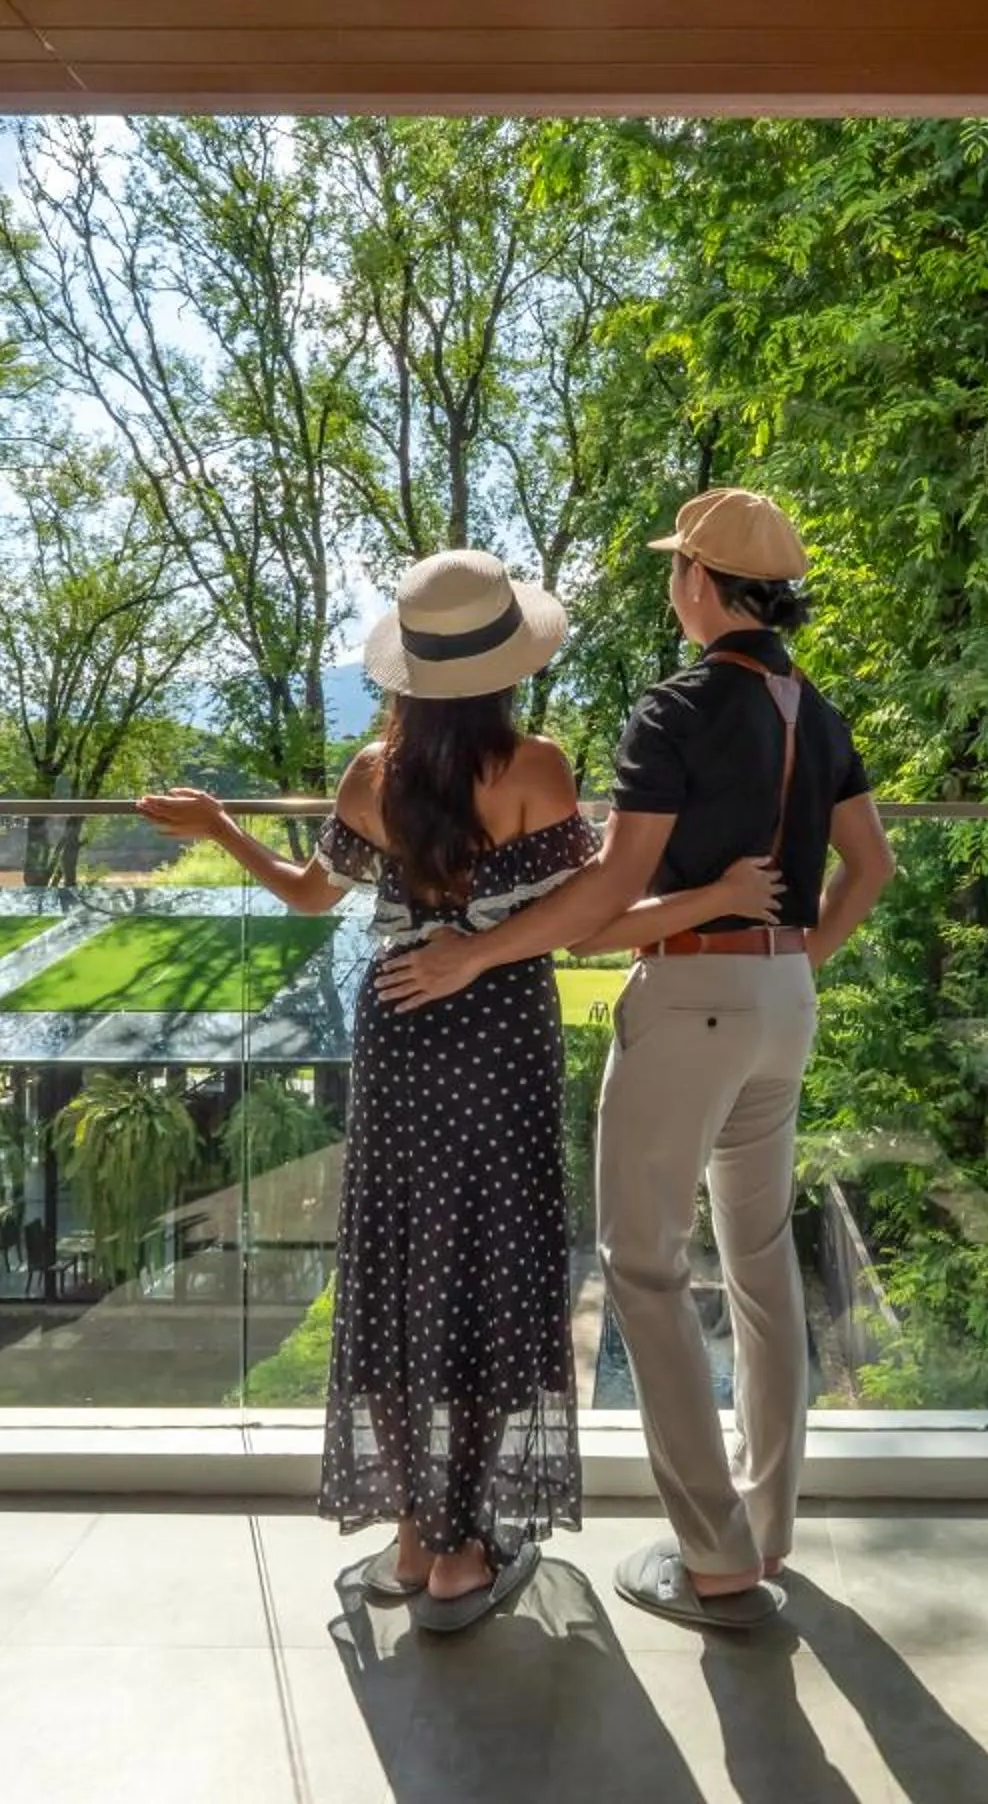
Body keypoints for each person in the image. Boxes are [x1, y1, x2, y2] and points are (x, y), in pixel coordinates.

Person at [138, 548, 779, 1635]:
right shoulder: (541, 767)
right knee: (491, 1267)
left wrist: (218, 826)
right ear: (504, 666)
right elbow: (584, 918)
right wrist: (713, 893)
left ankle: (409, 1527)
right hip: (499, 1046)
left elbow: (306, 894)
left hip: (398, 1034)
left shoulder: (366, 775)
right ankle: (464, 1547)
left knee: (398, 1264)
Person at [378, 490, 893, 1631]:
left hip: (696, 995)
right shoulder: (819, 707)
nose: (675, 586)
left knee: (644, 1265)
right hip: (783, 998)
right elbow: (873, 866)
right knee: (759, 1261)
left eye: (677, 570)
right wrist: (793, 953)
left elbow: (609, 895)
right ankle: (765, 1527)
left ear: (701, 584)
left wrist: (480, 952)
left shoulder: (677, 709)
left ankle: (713, 1560)